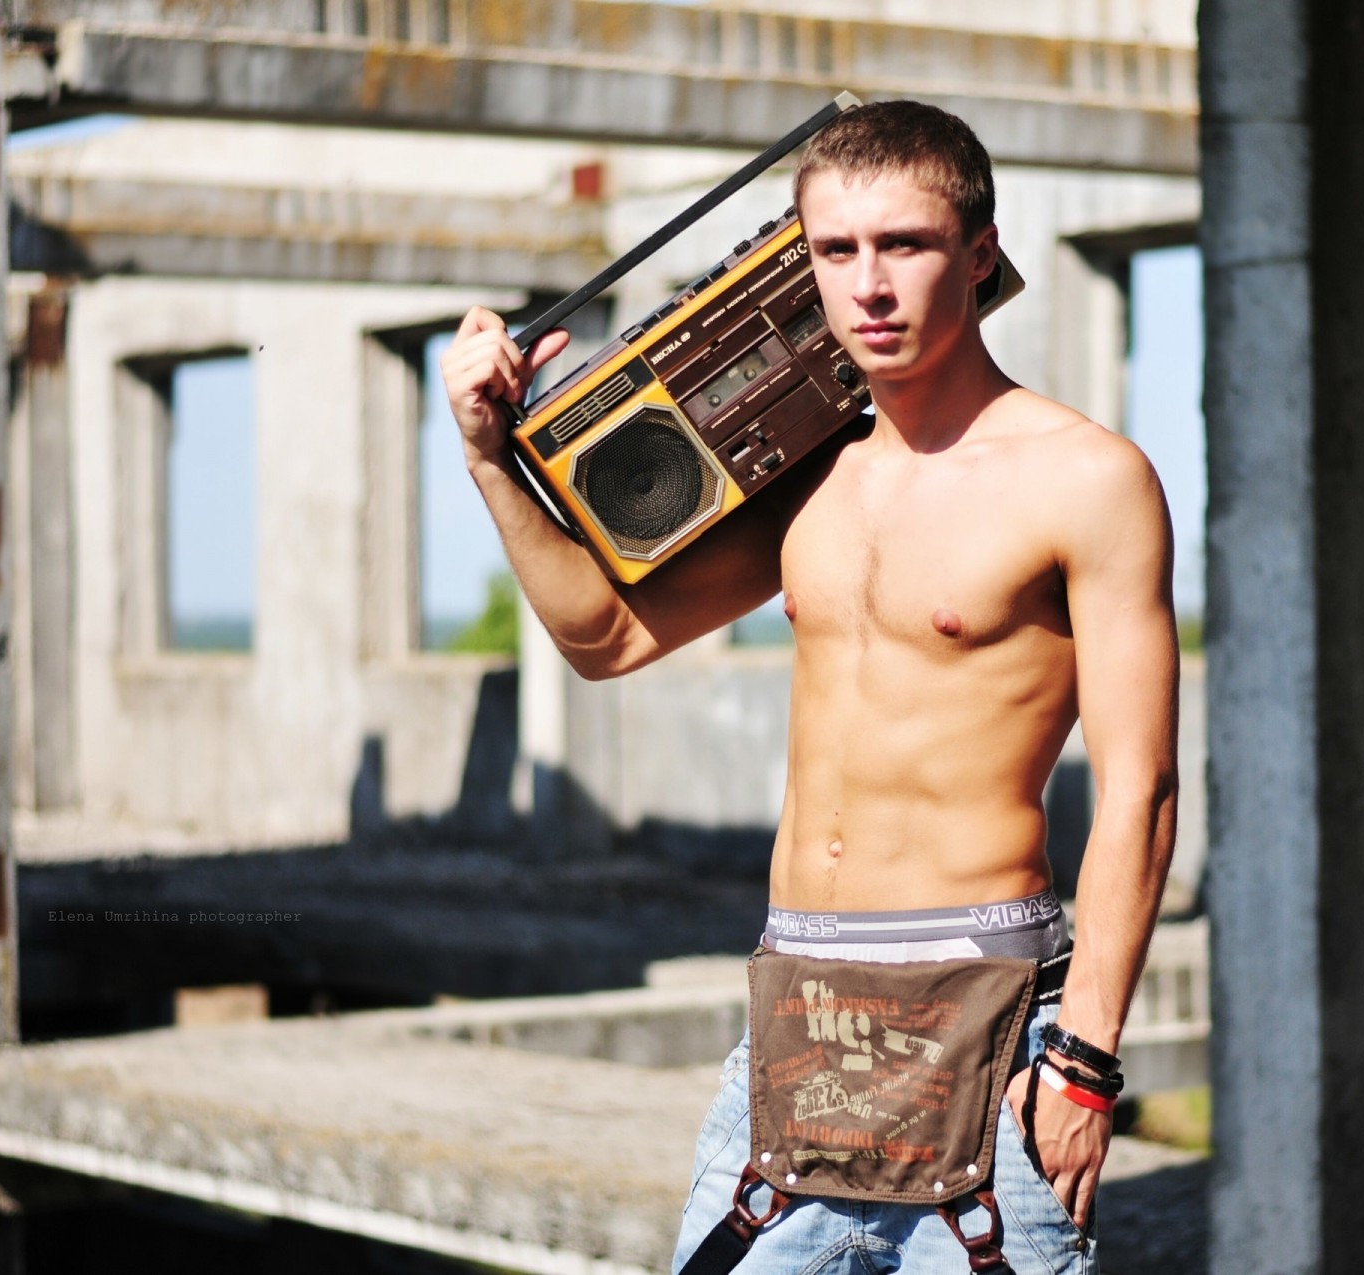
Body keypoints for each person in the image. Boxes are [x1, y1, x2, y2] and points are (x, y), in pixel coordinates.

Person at [441, 99, 1178, 1275]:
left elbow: (1142, 788)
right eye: (837, 251)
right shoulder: (804, 483)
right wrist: (491, 462)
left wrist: (1086, 1061)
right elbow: (604, 637)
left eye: (905, 244)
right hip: (797, 1025)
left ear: (979, 253)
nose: (868, 285)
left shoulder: (1087, 480)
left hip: (991, 1030)